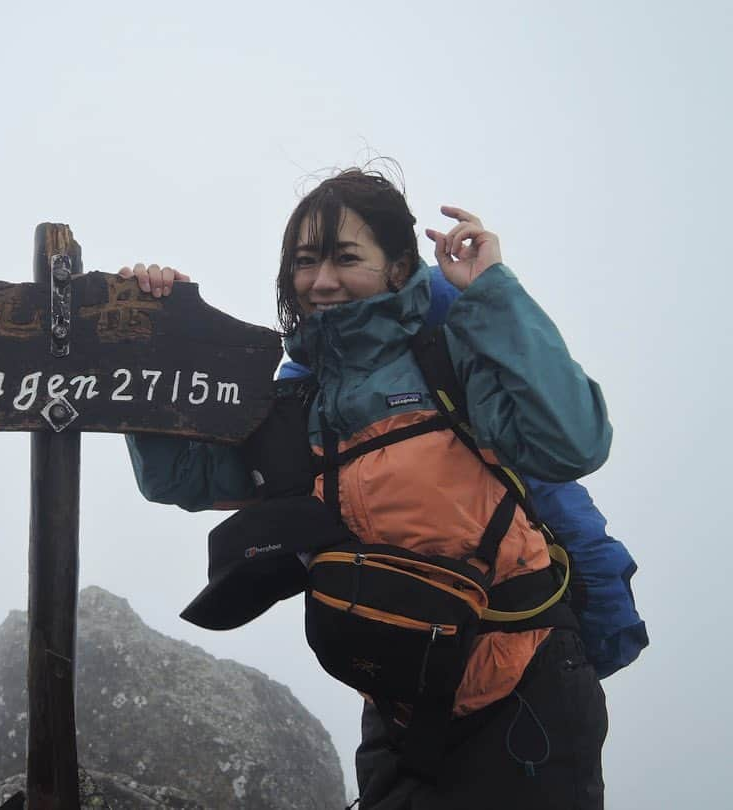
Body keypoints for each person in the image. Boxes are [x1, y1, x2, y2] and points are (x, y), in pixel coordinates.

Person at [120, 169, 611, 808]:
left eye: (346, 258)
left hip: (525, 695)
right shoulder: (297, 397)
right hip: (399, 709)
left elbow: (572, 441)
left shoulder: (452, 358)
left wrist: (492, 291)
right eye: (304, 262)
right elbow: (177, 478)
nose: (321, 282)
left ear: (397, 264)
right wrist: (151, 338)